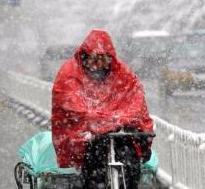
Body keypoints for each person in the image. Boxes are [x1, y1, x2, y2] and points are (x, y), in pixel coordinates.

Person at [51, 30, 154, 188]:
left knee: (130, 162)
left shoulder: (122, 74)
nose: (99, 65)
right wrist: (109, 120)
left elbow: (135, 100)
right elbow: (70, 103)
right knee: (94, 164)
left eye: (103, 59)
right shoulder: (70, 74)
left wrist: (116, 122)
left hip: (119, 139)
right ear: (85, 57)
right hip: (92, 141)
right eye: (95, 59)